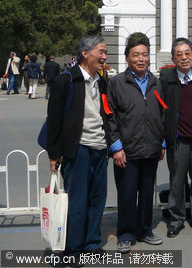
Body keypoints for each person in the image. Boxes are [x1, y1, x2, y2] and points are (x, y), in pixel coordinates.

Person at [47, 36, 111, 260]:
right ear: (85, 53)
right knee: (77, 201)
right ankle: (73, 248)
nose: (104, 57)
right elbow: (54, 120)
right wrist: (54, 154)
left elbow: (107, 115)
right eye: (100, 52)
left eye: (105, 53)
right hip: (78, 149)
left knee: (97, 198)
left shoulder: (102, 81)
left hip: (100, 148)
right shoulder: (66, 81)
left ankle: (92, 244)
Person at [107, 33, 166, 253]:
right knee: (127, 194)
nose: (141, 59)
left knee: (147, 190)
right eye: (136, 55)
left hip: (150, 148)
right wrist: (116, 147)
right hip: (126, 151)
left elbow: (161, 114)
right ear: (127, 58)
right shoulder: (117, 83)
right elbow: (110, 117)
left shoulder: (155, 82)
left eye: (144, 54)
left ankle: (145, 230)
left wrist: (162, 143)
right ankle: (125, 233)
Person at [161, 37, 192, 238]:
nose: (184, 58)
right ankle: (176, 219)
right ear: (173, 59)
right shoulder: (166, 81)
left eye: (187, 53)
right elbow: (161, 111)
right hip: (178, 142)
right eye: (179, 54)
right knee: (176, 183)